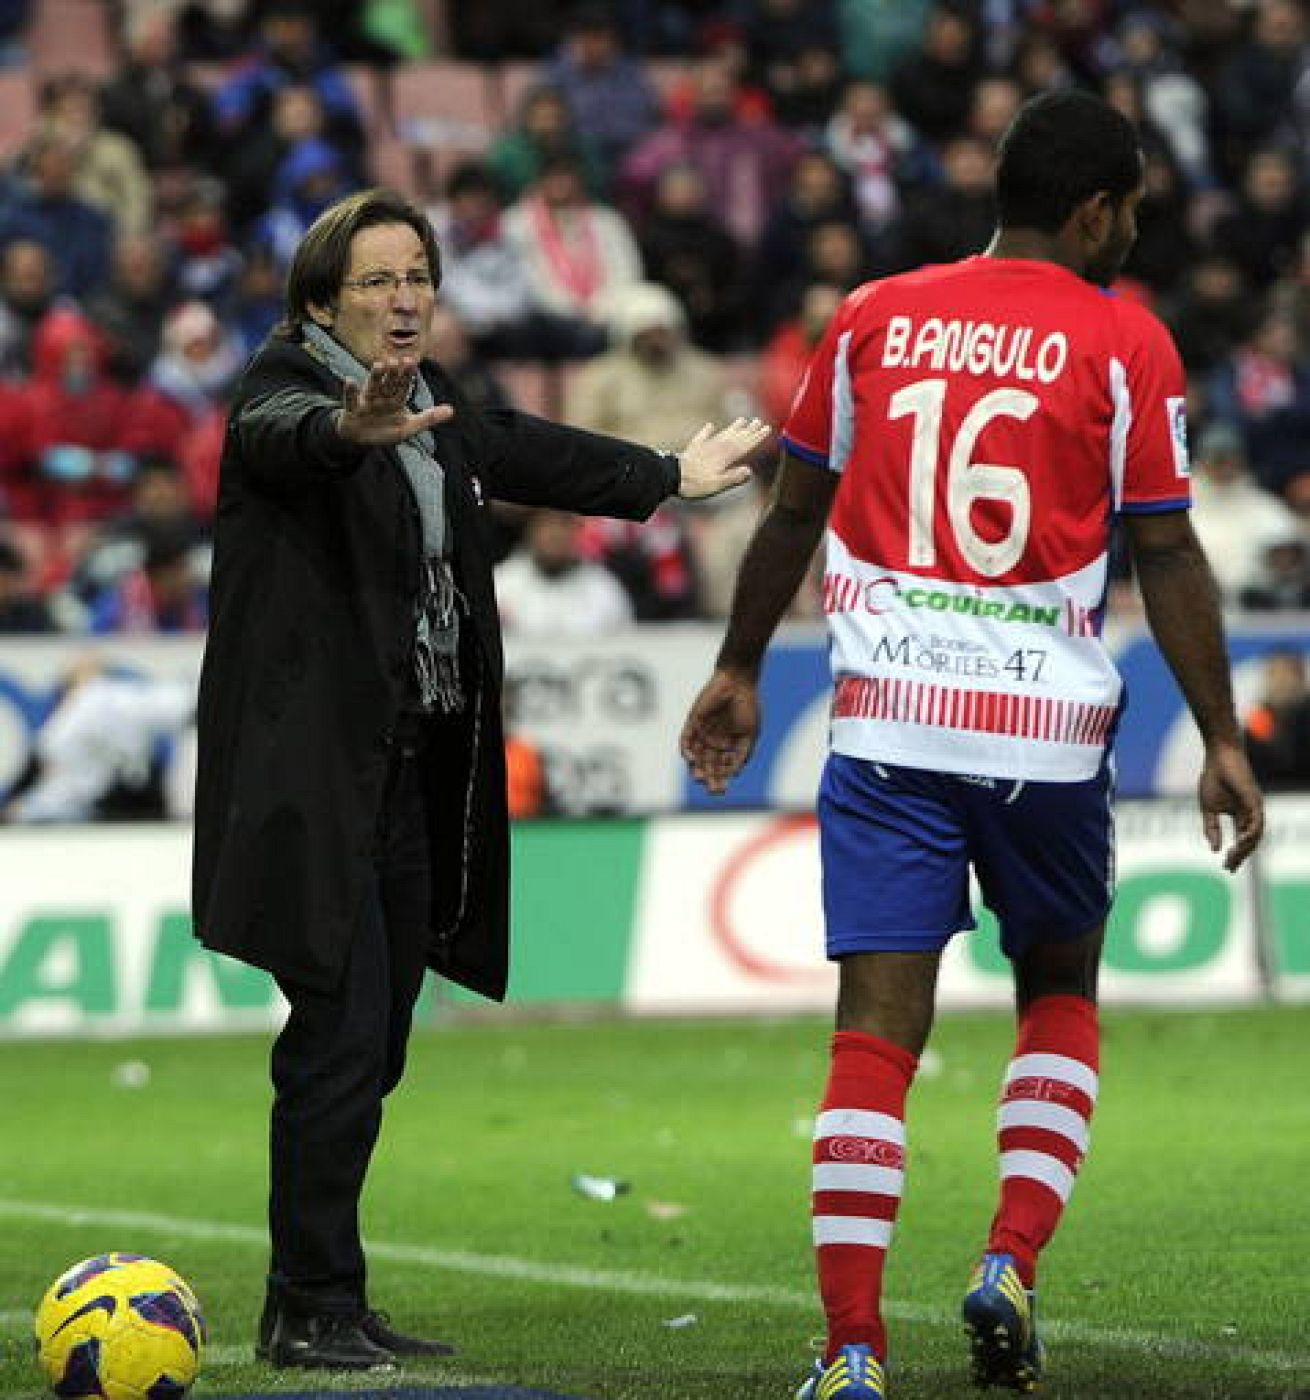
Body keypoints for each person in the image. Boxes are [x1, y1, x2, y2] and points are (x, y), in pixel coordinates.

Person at [680, 91, 1265, 1400]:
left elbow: (793, 510)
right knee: (1057, 987)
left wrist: (736, 664)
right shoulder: (1124, 339)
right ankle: (1007, 1258)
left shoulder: (871, 315)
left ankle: (849, 1350)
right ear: (1092, 211)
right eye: (1130, 211)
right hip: (1040, 737)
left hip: (886, 720)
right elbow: (1166, 549)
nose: (1133, 232)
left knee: (872, 1034)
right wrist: (1220, 735)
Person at [190, 187, 767, 1372]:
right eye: (378, 280)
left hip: (409, 770)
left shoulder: (436, 413)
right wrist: (348, 427)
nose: (406, 299)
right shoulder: (280, 391)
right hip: (319, 781)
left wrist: (667, 471)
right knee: (338, 1038)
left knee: (376, 1043)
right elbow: (284, 438)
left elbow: (527, 448)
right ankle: (305, 1302)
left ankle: (331, 1295)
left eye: (419, 276)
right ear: (320, 300)